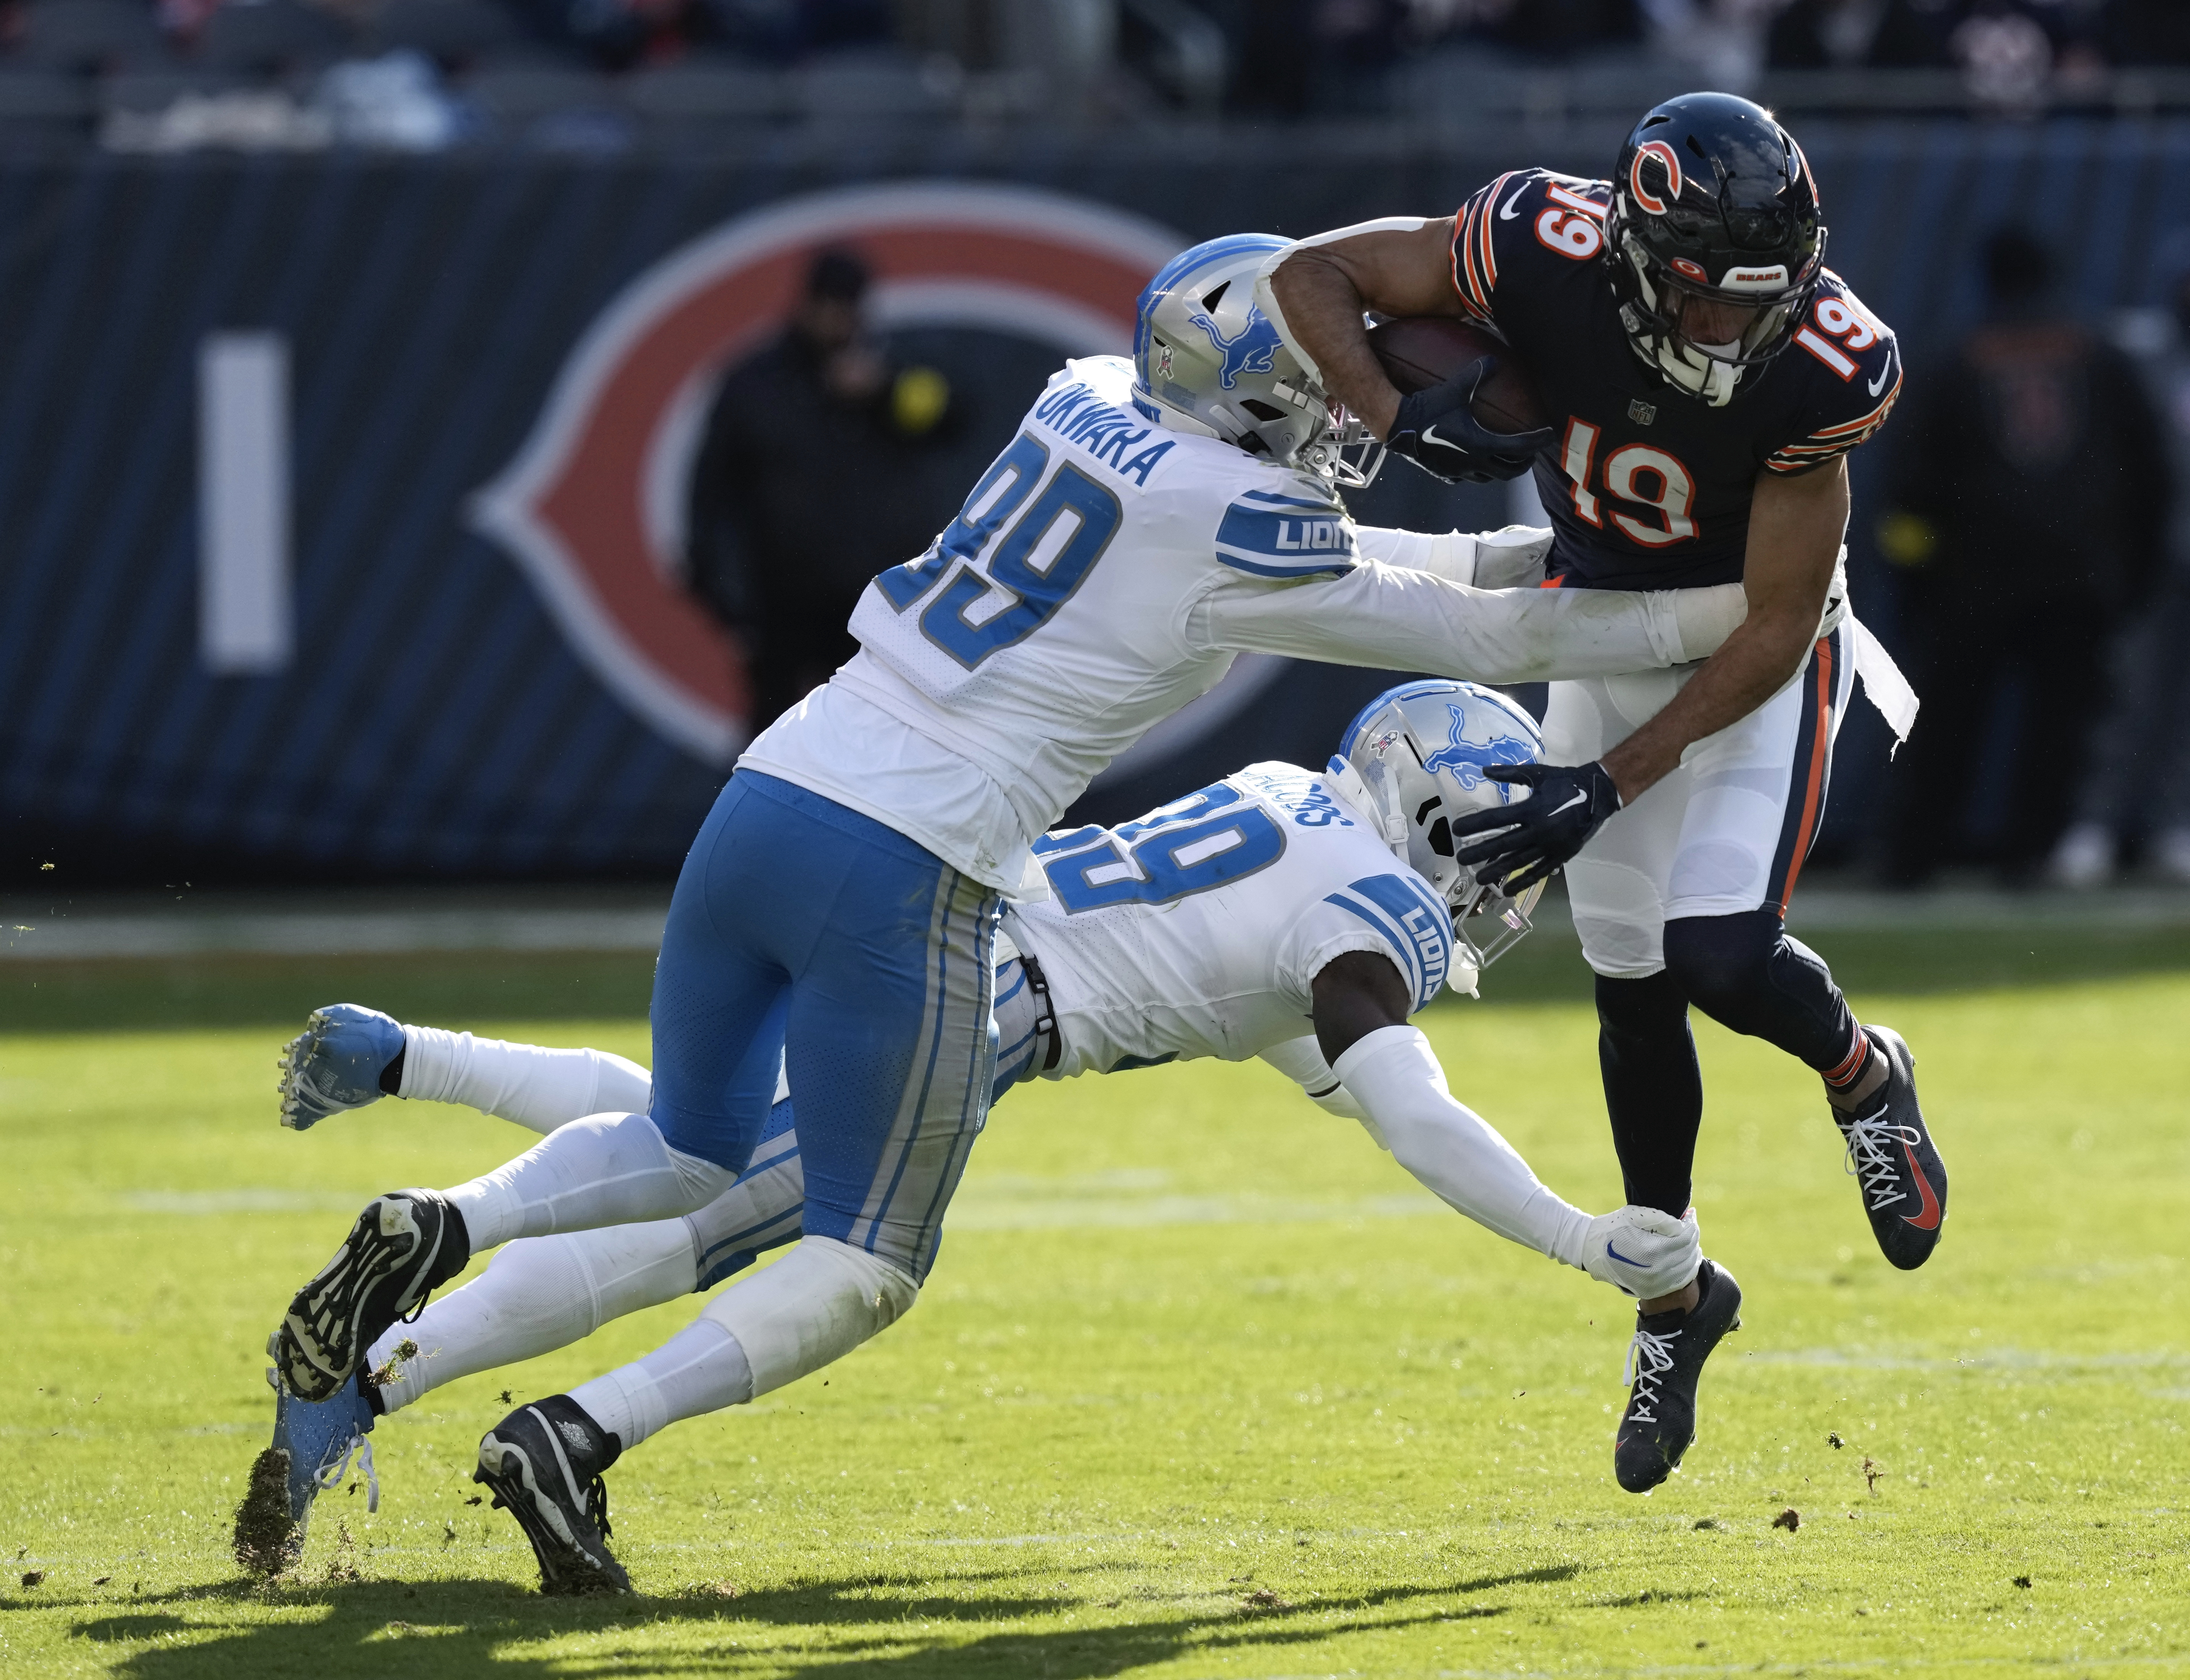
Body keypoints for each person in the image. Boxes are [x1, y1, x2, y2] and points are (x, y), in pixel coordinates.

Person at [260, 233, 1760, 1587]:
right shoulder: (1251, 571)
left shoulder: (1084, 399)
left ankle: (434, 1228)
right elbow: (1487, 622)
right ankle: (562, 1422)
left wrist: (1566, 547)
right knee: (857, 1261)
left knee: (691, 1144)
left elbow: (1415, 569)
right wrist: (1753, 603)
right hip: (909, 872)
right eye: (1316, 388)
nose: (1344, 418)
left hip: (777, 782)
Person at [244, 682, 1706, 1581]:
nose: (1509, 892)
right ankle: (553, 1408)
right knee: (786, 1243)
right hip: (978, 992)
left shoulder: (1282, 801)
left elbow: (1332, 1066)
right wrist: (1585, 1239)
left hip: (928, 909)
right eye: (1504, 857)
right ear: (1445, 825)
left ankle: (405, 1219)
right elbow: (1412, 1111)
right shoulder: (1370, 916)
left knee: (696, 1141)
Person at [1265, 92, 1944, 1499]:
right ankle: (1670, 1296)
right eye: (1698, 301)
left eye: (1749, 305)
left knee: (1716, 954)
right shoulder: (1534, 239)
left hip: (1744, 651)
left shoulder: (1825, 359)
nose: (1724, 334)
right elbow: (1307, 274)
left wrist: (1608, 780)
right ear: (1636, 249)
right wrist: (1397, 416)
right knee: (1627, 983)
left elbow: (1770, 620)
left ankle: (1861, 1073)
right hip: (1591, 628)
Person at [1873, 225, 2169, 889]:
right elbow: (2151, 476)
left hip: (1972, 580)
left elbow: (1911, 490)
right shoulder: (2099, 357)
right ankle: (2029, 855)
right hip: (2078, 575)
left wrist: (1912, 581)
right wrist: (2133, 572)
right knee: (2055, 730)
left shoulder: (1957, 361)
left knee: (1947, 725)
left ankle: (1912, 857)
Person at [684, 246, 959, 732]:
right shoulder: (757, 383)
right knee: (773, 734)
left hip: (876, 603)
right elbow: (712, 498)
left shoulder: (891, 373)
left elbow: (954, 418)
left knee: (877, 732)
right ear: (806, 303)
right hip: (782, 605)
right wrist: (729, 600)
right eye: (828, 305)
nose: (837, 319)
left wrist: (885, 391)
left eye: (847, 307)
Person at [2049, 264, 2190, 889]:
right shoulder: (2138, 354)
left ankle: (2181, 826)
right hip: (2149, 560)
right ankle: (2093, 826)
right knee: (2126, 698)